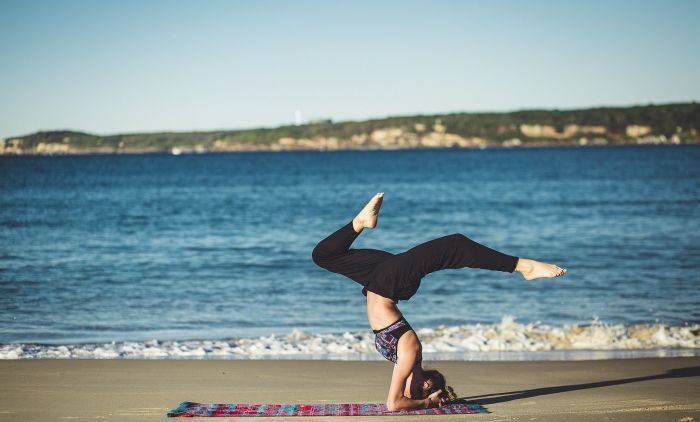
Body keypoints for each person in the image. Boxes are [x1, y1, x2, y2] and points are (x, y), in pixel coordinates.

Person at [312, 193, 567, 411]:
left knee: (324, 256)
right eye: (415, 392)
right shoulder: (410, 352)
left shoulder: (404, 360)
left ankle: (360, 223)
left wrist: (427, 402)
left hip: (379, 279)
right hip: (390, 283)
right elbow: (396, 403)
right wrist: (429, 402)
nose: (405, 391)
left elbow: (394, 403)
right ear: (425, 384)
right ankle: (525, 267)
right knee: (455, 244)